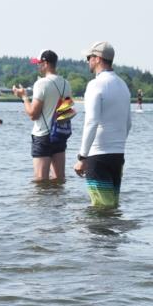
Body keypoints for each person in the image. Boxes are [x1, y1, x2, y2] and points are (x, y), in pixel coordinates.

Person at [73, 42, 132, 209]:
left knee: (100, 209)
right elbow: (128, 123)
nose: (87, 61)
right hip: (117, 155)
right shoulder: (122, 85)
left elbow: (92, 121)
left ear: (98, 59)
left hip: (98, 156)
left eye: (89, 58)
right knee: (112, 206)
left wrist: (82, 157)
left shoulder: (95, 85)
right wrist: (117, 144)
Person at [12, 49, 72, 181]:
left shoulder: (41, 83)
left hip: (43, 136)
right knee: (59, 179)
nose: (37, 66)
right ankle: (59, 202)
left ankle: (43, 203)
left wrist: (23, 97)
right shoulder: (66, 84)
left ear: (45, 63)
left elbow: (33, 114)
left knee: (40, 181)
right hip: (59, 135)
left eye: (38, 63)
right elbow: (66, 111)